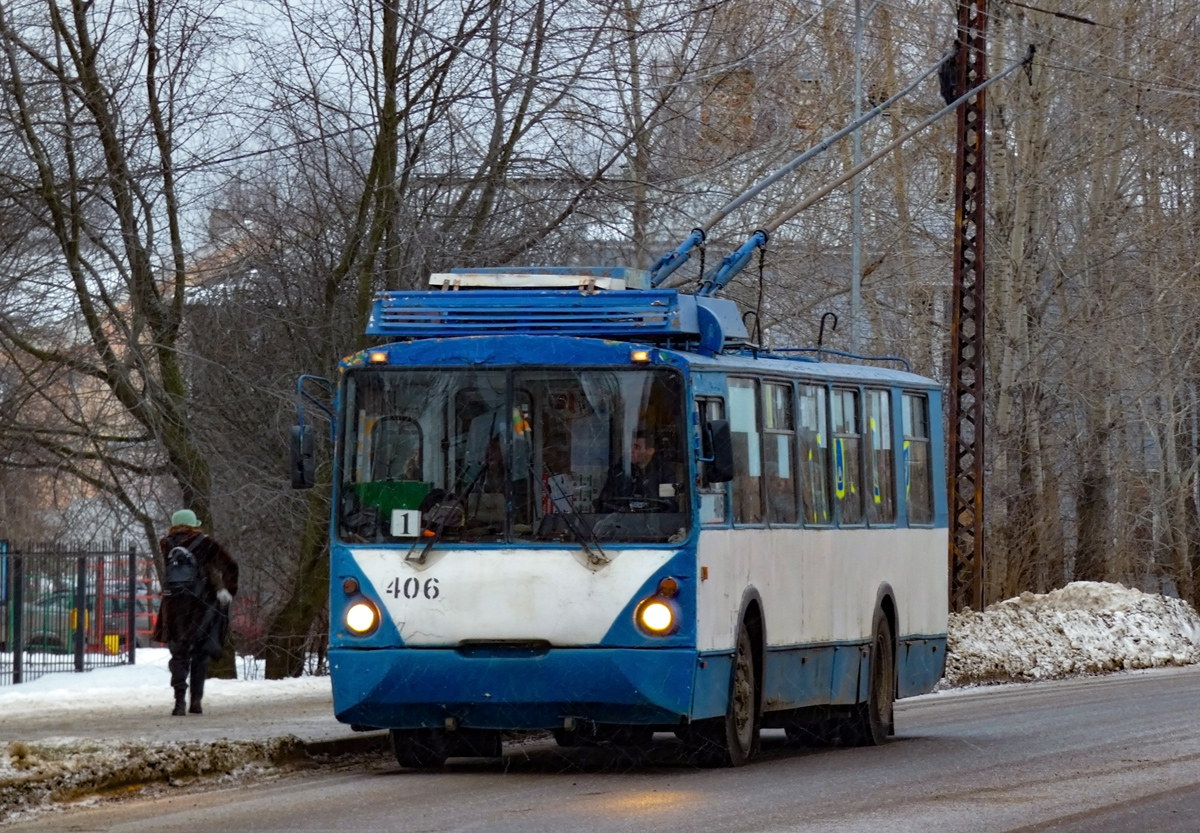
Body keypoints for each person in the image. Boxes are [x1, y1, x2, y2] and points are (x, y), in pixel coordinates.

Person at [151, 509, 239, 716]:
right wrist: (227, 590)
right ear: (194, 524)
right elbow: (230, 566)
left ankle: (179, 701)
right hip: (201, 605)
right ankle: (196, 701)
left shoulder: (166, 544)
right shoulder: (205, 542)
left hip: (174, 606)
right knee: (200, 653)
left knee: (179, 655)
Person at [598, 430, 676, 512]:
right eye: (630, 447)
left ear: (650, 451)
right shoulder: (618, 472)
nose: (631, 450)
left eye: (637, 447)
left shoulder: (664, 474)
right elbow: (605, 501)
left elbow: (670, 506)